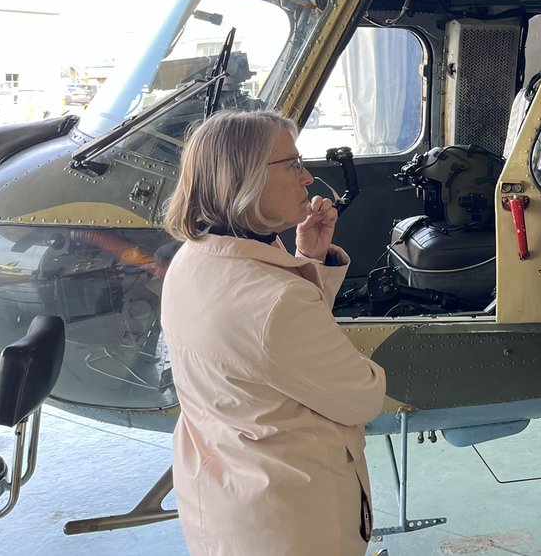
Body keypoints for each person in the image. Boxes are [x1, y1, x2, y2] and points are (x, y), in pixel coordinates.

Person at [161, 110, 386, 556]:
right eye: (293, 165)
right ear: (245, 179)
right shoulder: (273, 298)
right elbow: (362, 397)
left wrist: (308, 257)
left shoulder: (196, 258)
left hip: (230, 501)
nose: (307, 178)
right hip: (295, 520)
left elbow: (273, 352)